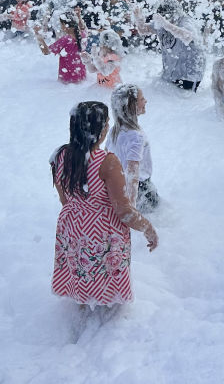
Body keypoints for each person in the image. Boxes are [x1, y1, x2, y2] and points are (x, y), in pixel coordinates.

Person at [51, 101, 158, 308]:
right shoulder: (107, 162)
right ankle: (107, 302)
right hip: (102, 229)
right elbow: (124, 210)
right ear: (97, 129)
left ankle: (82, 298)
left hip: (72, 225)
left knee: (80, 263)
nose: (109, 126)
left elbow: (64, 199)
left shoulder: (59, 156)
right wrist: (148, 228)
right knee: (104, 268)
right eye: (106, 122)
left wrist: (80, 213)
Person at [106, 84, 159, 212]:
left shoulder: (114, 131)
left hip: (117, 185)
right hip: (141, 191)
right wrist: (131, 209)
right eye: (142, 99)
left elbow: (106, 160)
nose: (145, 101)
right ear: (132, 106)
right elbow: (132, 174)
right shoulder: (136, 137)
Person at [133, 0, 206, 91]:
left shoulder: (186, 21)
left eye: (168, 17)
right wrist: (138, 18)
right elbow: (144, 30)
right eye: (163, 17)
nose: (166, 19)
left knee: (179, 101)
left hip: (189, 75)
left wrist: (166, 24)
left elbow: (188, 36)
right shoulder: (162, 22)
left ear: (176, 14)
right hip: (171, 73)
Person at [35, 10, 88, 84]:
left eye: (62, 24)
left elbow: (46, 51)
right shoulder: (83, 35)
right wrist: (79, 16)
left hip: (67, 79)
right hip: (81, 76)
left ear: (66, 25)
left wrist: (38, 35)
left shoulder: (66, 39)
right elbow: (83, 27)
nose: (61, 27)